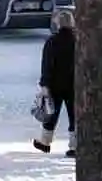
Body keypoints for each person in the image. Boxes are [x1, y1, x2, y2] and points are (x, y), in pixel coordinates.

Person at [33, 8, 76, 157]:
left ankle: (45, 142)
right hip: (74, 85)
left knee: (51, 113)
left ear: (58, 24)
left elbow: (47, 64)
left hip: (55, 85)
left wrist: (45, 84)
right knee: (74, 115)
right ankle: (75, 146)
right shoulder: (79, 41)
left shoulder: (52, 42)